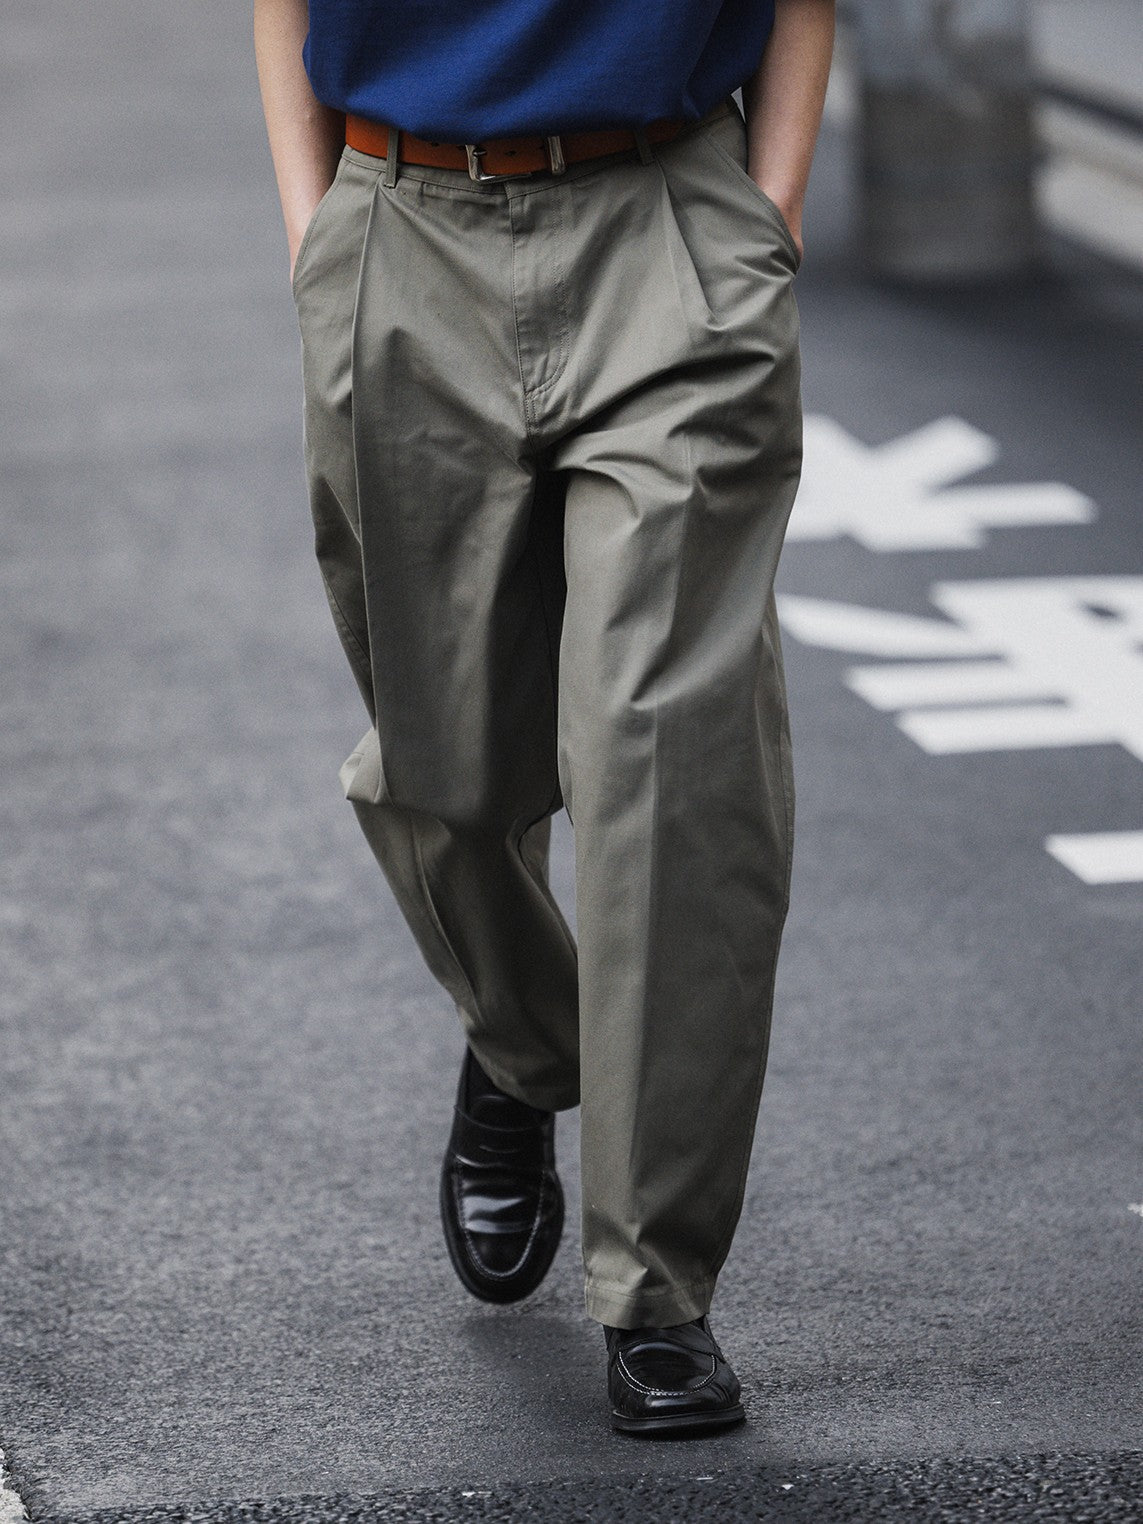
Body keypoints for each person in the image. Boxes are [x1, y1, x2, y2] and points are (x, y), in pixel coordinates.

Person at [255, 0, 834, 1436]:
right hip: (399, 229)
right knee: (442, 775)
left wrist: (771, 218)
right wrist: (314, 236)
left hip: (667, 228)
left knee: (669, 765)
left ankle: (658, 1291)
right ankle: (524, 1045)